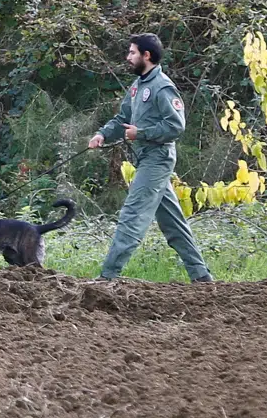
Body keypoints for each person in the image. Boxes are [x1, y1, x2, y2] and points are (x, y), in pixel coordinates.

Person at [88, 33, 213, 283]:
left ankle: (107, 277)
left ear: (147, 56)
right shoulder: (138, 86)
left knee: (132, 215)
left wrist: (141, 133)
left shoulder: (162, 87)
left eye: (132, 52)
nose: (128, 57)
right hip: (145, 159)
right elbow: (122, 117)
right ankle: (202, 277)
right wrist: (102, 134)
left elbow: (176, 127)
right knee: (173, 225)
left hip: (158, 159)